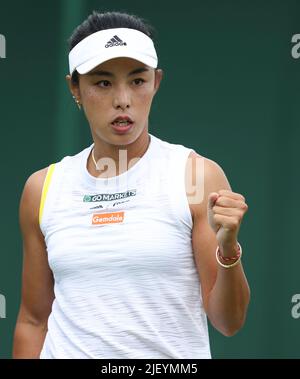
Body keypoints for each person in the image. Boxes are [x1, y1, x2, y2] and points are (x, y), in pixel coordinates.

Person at [13, 10, 250, 359]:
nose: (122, 99)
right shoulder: (42, 188)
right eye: (103, 82)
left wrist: (228, 249)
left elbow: (229, 321)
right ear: (74, 88)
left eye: (137, 81)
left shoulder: (197, 176)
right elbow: (33, 320)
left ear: (156, 82)